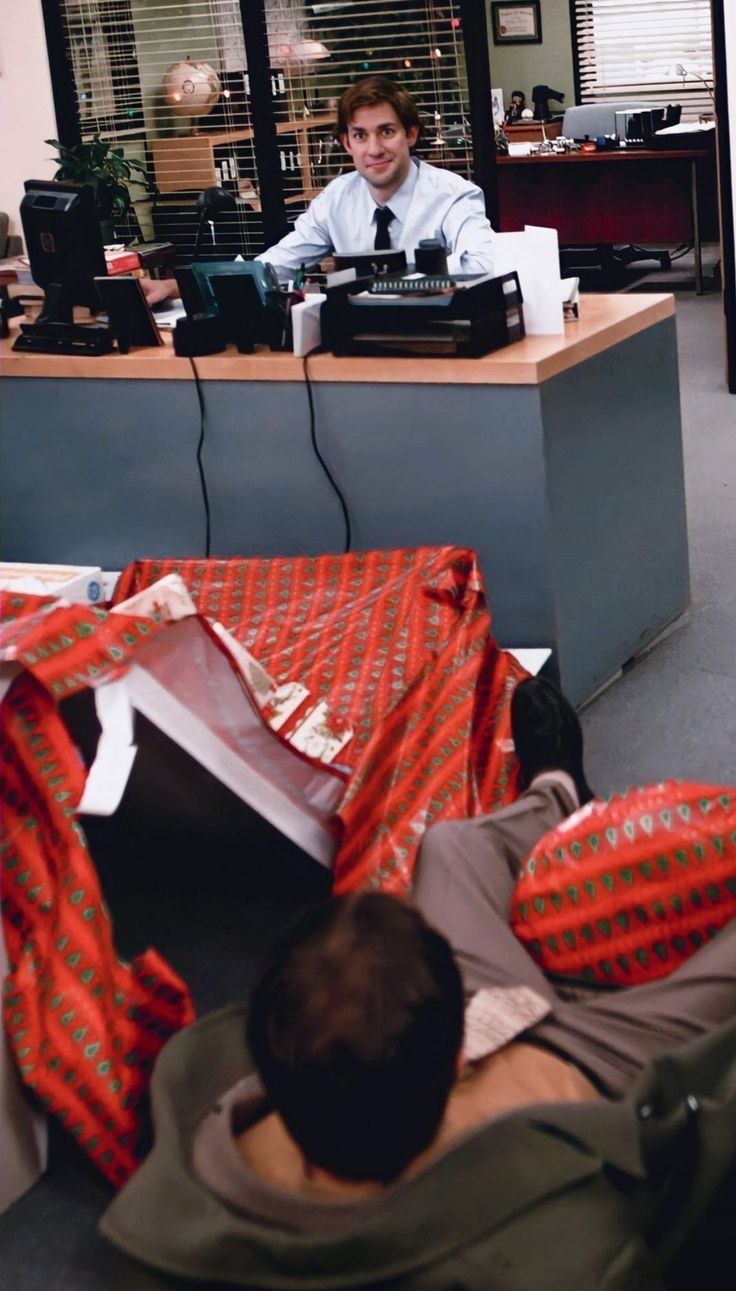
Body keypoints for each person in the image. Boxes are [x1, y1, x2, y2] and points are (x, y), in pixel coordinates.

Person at [100, 682, 736, 1289]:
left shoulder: (189, 1164)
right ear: (461, 1054)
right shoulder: (561, 1260)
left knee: (450, 848)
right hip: (598, 1068)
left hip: (452, 1032)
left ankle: (557, 791)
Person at [143, 76, 495, 305]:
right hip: (356, 348)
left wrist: (409, 283)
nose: (374, 149)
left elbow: (482, 266)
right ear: (346, 142)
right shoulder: (337, 199)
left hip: (437, 343)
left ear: (411, 135)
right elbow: (274, 267)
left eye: (386, 131)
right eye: (360, 135)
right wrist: (176, 288)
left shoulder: (454, 196)